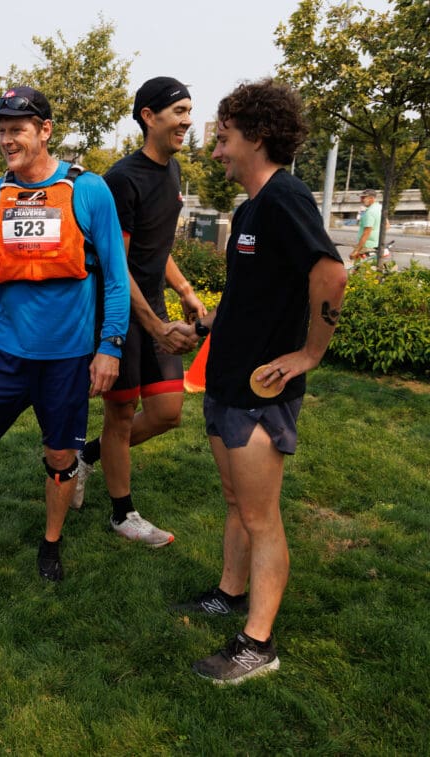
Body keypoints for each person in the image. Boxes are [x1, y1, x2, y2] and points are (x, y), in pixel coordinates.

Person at [171, 79, 346, 684]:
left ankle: (258, 643)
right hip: (225, 384)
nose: (216, 151)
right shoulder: (249, 210)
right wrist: (207, 322)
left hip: (261, 394)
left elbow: (330, 273)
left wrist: (309, 353)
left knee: (261, 517)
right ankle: (228, 591)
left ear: (257, 137)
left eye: (223, 138)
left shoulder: (285, 198)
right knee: (236, 505)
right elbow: (254, 292)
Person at [0, 86, 130, 581]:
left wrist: (110, 345)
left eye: (17, 129)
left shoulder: (87, 190)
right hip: (5, 351)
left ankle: (51, 542)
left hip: (67, 357)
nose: (6, 140)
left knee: (60, 457)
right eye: (1, 131)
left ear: (45, 130)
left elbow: (117, 274)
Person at [70, 77, 205, 548]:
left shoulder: (170, 172)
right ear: (148, 116)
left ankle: (86, 457)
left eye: (190, 111)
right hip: (120, 315)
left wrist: (185, 290)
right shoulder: (121, 180)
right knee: (122, 416)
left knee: (167, 411)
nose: (187, 120)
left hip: (156, 311)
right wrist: (152, 325)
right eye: (179, 111)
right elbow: (114, 262)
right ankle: (122, 515)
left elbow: (156, 246)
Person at [350, 188, 383, 262]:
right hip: (377, 245)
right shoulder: (380, 208)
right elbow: (387, 225)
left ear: (371, 198)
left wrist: (356, 250)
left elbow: (366, 233)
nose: (361, 200)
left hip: (367, 246)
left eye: (363, 198)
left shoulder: (369, 212)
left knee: (359, 271)